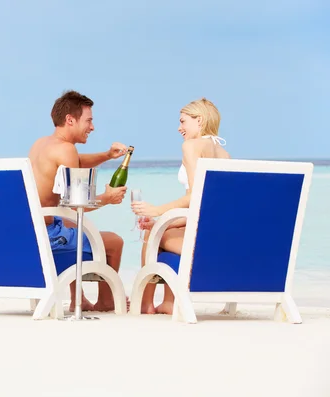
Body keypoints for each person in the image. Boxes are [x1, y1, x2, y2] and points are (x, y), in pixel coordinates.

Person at [28, 90, 129, 312]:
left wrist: (107, 155)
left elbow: (77, 161)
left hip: (30, 233)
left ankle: (78, 299)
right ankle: (106, 301)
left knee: (70, 224)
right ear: (70, 120)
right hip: (49, 239)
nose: (92, 127)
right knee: (114, 242)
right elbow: (77, 206)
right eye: (89, 121)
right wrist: (108, 198)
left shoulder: (42, 144)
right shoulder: (66, 149)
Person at [131, 97, 230, 315]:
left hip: (203, 244)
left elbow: (196, 196)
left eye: (183, 121)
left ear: (200, 120)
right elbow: (206, 206)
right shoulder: (224, 154)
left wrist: (158, 211)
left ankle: (144, 304)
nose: (179, 128)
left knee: (152, 233)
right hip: (222, 239)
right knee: (165, 227)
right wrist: (169, 221)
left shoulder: (192, 146)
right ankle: (168, 302)